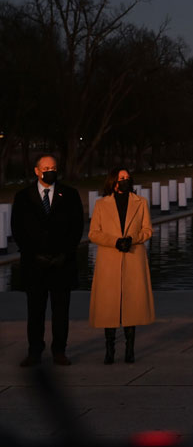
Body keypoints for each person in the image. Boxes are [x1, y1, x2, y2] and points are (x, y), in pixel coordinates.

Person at [10, 154, 85, 367]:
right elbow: (18, 229)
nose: (50, 170)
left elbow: (76, 227)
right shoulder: (23, 196)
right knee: (35, 311)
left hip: (62, 263)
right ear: (36, 170)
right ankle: (34, 351)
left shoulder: (69, 194)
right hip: (35, 264)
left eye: (53, 167)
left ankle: (59, 350)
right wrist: (34, 254)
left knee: (61, 311)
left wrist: (64, 253)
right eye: (45, 167)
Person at [88, 168, 156, 364]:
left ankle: (130, 350)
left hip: (133, 258)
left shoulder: (140, 202)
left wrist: (132, 239)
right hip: (109, 260)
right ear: (113, 181)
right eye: (121, 178)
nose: (125, 180)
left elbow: (147, 229)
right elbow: (93, 233)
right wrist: (115, 241)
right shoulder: (101, 204)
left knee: (131, 306)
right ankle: (109, 350)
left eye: (127, 178)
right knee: (109, 307)